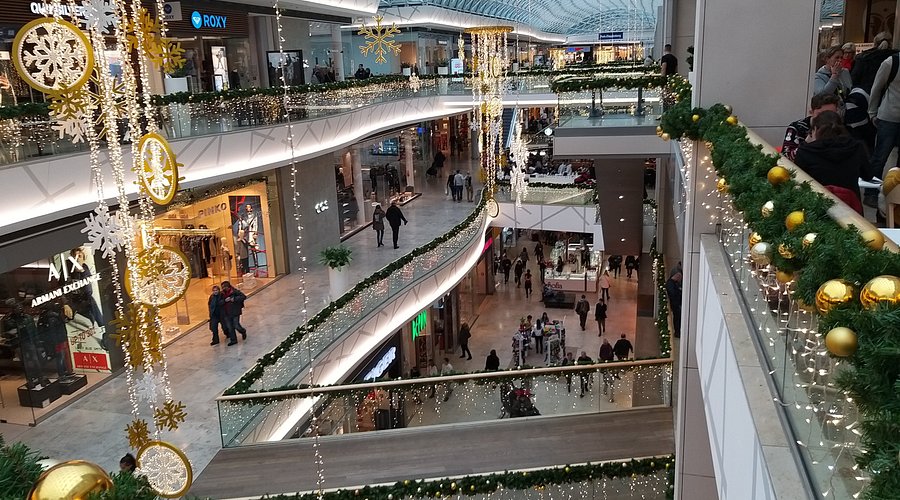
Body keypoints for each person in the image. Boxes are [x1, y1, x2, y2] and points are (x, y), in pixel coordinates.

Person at [794, 111, 866, 208]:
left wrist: (806, 143)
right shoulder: (856, 147)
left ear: (815, 129)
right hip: (851, 207)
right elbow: (867, 174)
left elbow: (798, 180)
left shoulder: (806, 152)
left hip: (815, 208)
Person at [867, 50, 900, 191]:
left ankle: (896, 192)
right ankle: (871, 192)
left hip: (889, 118)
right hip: (889, 117)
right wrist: (872, 112)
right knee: (879, 158)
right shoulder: (891, 62)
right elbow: (877, 87)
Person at [781, 93, 841, 161]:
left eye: (830, 114)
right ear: (811, 112)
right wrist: (807, 144)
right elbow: (785, 158)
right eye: (820, 114)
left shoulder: (839, 128)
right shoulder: (797, 128)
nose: (825, 118)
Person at [221, 281, 247, 346]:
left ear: (228, 287)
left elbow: (243, 296)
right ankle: (233, 340)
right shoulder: (222, 294)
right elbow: (219, 302)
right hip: (226, 313)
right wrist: (224, 301)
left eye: (224, 287)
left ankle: (243, 331)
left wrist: (234, 299)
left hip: (235, 312)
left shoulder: (235, 291)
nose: (223, 289)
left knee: (236, 325)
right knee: (230, 327)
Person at [666, 271, 683, 339]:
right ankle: (677, 332)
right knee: (677, 318)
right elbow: (673, 294)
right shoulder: (670, 284)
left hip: (676, 304)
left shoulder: (673, 283)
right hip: (675, 305)